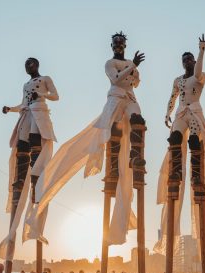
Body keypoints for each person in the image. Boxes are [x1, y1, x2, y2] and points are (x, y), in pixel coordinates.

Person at [33, 31, 146, 247]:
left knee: (138, 120)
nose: (118, 45)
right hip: (114, 98)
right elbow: (116, 79)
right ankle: (112, 160)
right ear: (112, 45)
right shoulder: (109, 62)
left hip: (130, 98)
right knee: (110, 129)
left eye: (121, 43)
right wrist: (133, 67)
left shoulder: (131, 62)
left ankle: (135, 155)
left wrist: (134, 68)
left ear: (125, 44)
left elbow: (135, 83)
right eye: (115, 43)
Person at [155, 34, 205, 270]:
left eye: (190, 58)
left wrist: (201, 51)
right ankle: (176, 169)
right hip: (180, 112)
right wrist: (167, 113)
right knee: (175, 138)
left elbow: (198, 72)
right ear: (181, 63)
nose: (187, 61)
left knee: (195, 141)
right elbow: (172, 98)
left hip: (195, 110)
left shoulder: (199, 77)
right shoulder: (177, 80)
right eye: (185, 58)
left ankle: (196, 171)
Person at [0, 57, 59, 263]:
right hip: (26, 115)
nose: (28, 67)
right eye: (26, 65)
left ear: (37, 65)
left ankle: (34, 179)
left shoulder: (45, 79)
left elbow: (56, 96)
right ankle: (21, 178)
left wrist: (41, 94)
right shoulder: (25, 85)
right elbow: (23, 104)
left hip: (40, 114)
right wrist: (10, 109)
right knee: (21, 147)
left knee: (35, 145)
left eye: (31, 64)